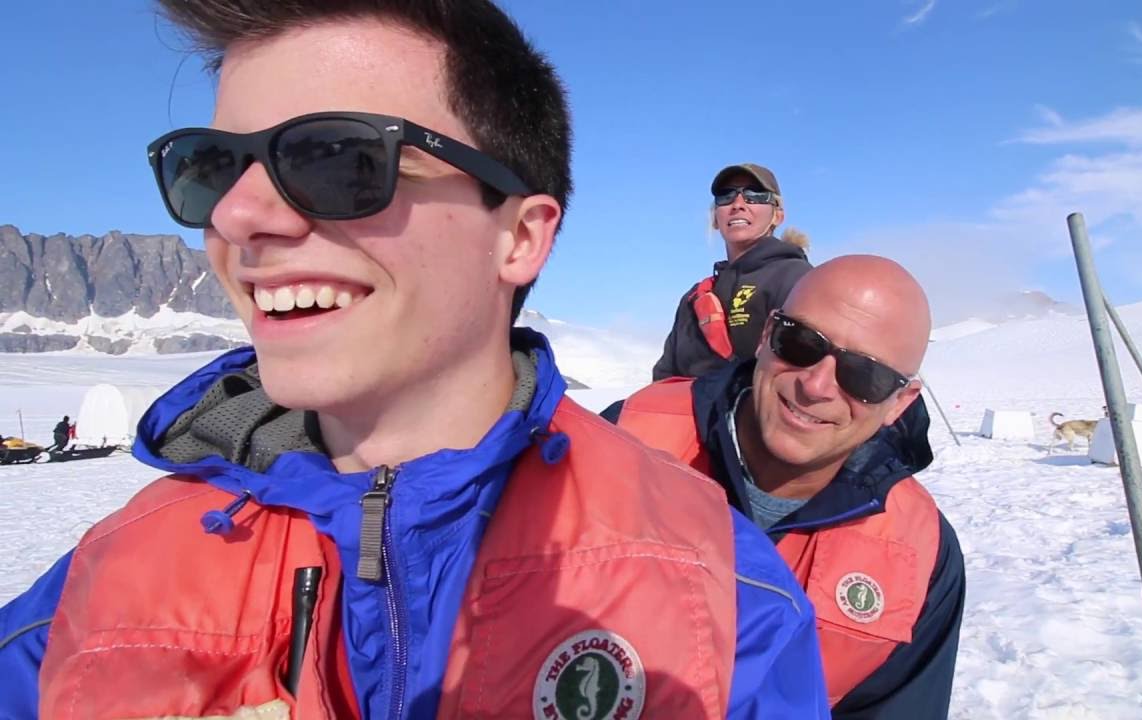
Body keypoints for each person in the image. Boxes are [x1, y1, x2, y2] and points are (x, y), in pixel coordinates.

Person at [0, 1, 829, 717]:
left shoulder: (723, 602)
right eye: (211, 168)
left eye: (338, 158)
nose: (240, 215)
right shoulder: (90, 604)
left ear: (520, 235)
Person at [608, 255, 965, 718]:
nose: (817, 385)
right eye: (799, 343)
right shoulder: (627, 438)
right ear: (765, 335)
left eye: (865, 375)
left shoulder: (921, 555)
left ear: (900, 402)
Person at [652, 163, 812, 381]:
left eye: (755, 195)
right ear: (716, 217)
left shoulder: (797, 279)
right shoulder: (694, 297)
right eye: (726, 196)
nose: (738, 204)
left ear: (777, 216)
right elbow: (664, 376)